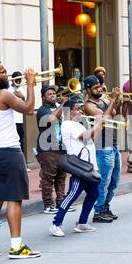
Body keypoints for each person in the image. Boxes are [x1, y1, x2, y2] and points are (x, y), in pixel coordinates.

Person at [0, 61, 40, 259]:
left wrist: (19, 95)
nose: (7, 74)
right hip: (10, 151)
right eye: (3, 72)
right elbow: (29, 109)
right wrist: (30, 84)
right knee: (14, 198)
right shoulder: (3, 94)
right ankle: (16, 246)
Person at [49, 100, 104, 237]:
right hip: (80, 167)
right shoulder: (69, 124)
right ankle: (56, 224)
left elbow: (92, 140)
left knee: (94, 194)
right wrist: (97, 122)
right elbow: (85, 136)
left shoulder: (77, 124)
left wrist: (99, 126)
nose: (80, 111)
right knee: (71, 196)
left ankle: (82, 223)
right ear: (69, 112)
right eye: (77, 109)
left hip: (89, 166)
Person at [84, 75, 121, 223]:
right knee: (104, 181)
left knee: (114, 181)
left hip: (112, 144)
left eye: (99, 86)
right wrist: (112, 101)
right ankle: (98, 211)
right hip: (101, 146)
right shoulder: (89, 105)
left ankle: (105, 206)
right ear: (88, 90)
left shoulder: (103, 100)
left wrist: (116, 100)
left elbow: (112, 113)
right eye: (95, 88)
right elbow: (103, 119)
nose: (99, 89)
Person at [36, 84, 74, 214]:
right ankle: (48, 205)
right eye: (49, 94)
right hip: (48, 148)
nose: (53, 96)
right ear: (43, 97)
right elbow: (51, 119)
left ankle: (61, 204)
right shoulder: (42, 110)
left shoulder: (56, 108)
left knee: (61, 177)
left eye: (54, 94)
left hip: (60, 147)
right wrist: (63, 104)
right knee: (48, 178)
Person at [9, 71, 28, 168]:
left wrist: (23, 96)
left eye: (20, 79)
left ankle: (23, 165)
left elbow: (26, 105)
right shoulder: (8, 89)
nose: (18, 81)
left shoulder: (22, 89)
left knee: (21, 142)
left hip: (20, 120)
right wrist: (15, 95)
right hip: (11, 121)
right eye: (17, 79)